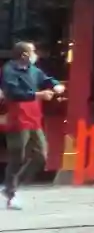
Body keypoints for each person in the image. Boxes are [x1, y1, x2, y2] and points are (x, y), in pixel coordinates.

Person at [1, 42, 64, 209]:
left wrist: (55, 84)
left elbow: (45, 79)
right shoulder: (9, 71)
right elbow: (13, 93)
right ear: (24, 55)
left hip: (34, 118)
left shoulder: (33, 70)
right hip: (18, 119)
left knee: (41, 155)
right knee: (18, 157)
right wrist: (38, 95)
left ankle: (11, 187)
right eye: (33, 51)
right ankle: (11, 191)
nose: (36, 54)